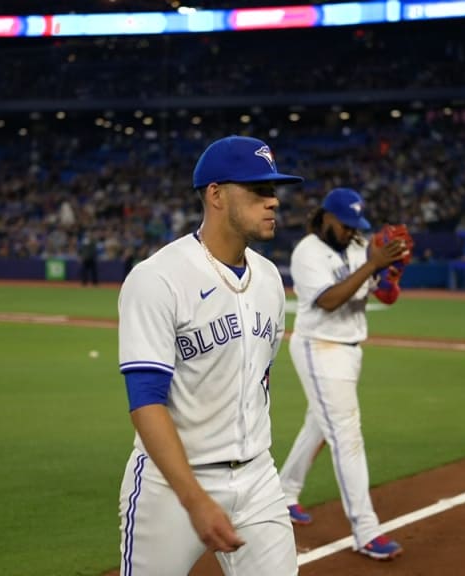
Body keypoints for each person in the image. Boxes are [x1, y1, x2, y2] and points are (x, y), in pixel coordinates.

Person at [116, 135, 303, 575]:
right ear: (216, 194)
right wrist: (195, 500)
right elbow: (145, 403)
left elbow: (261, 378)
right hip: (171, 485)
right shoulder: (158, 279)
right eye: (258, 190)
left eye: (273, 190)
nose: (273, 201)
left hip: (258, 478)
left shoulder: (271, 279)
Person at [278, 187, 408, 561]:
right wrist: (372, 264)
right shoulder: (307, 252)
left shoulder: (358, 246)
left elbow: (382, 294)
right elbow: (330, 300)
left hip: (349, 349)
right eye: (346, 225)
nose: (353, 232)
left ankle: (284, 493)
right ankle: (365, 530)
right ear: (327, 218)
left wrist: (390, 273)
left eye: (356, 226)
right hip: (319, 347)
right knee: (346, 436)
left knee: (319, 425)